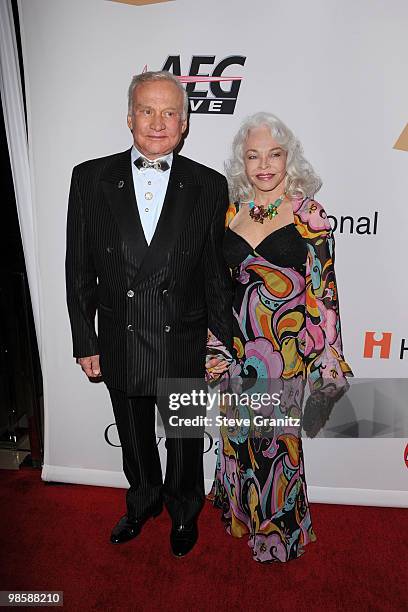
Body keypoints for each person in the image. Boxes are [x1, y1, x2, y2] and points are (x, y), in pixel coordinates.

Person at [65, 71, 232, 557]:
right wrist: (84, 338)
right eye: (147, 110)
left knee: (183, 439)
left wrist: (219, 342)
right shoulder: (90, 178)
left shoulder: (208, 184)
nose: (158, 122)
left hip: (181, 337)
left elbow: (213, 276)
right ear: (129, 117)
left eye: (169, 113)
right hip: (121, 334)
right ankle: (141, 502)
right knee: (134, 436)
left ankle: (183, 511)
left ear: (184, 123)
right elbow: (79, 266)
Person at [209, 112, 353, 563]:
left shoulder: (306, 213)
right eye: (253, 156)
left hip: (285, 349)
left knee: (277, 443)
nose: (264, 165)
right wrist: (213, 346)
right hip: (238, 347)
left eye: (273, 154)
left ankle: (280, 533)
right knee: (237, 436)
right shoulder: (231, 212)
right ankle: (243, 515)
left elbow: (324, 288)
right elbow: (216, 287)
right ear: (242, 162)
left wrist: (326, 360)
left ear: (288, 158)